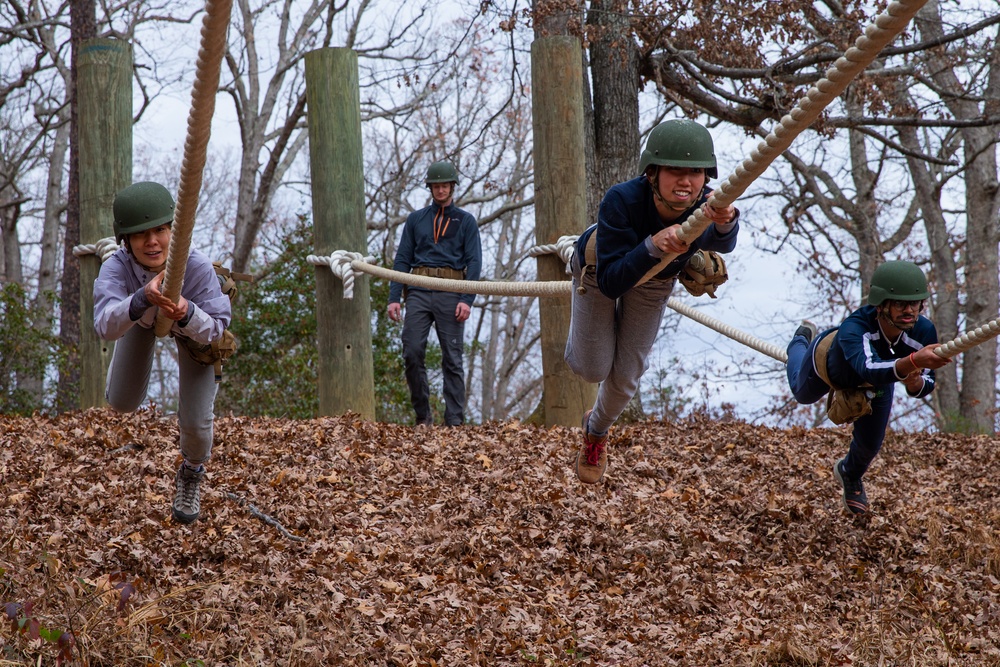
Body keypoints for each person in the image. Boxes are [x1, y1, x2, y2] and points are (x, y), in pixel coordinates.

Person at [566, 119, 740, 484]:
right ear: (652, 173)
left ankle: (595, 432)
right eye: (675, 170)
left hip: (656, 281)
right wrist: (653, 245)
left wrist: (725, 222)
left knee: (626, 375)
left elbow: (723, 243)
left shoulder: (706, 202)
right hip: (600, 271)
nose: (686, 181)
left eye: (695, 172)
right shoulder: (621, 199)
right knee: (593, 368)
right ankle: (572, 250)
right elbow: (613, 283)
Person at [94, 181, 231, 525]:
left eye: (159, 230)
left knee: (199, 428)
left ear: (173, 230)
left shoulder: (196, 266)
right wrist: (141, 299)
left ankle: (191, 472)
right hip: (140, 320)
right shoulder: (116, 266)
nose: (152, 241)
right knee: (122, 402)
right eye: (141, 234)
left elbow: (217, 326)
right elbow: (104, 325)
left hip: (191, 330)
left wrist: (185, 312)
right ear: (126, 240)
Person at [785, 260, 951, 515]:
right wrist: (913, 362)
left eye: (914, 303)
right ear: (881, 303)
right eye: (899, 304)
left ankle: (849, 474)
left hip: (880, 382)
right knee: (801, 392)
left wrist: (915, 381)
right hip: (830, 366)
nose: (909, 310)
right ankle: (799, 341)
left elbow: (927, 384)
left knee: (871, 444)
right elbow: (867, 367)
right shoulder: (856, 327)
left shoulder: (924, 331)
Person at [387, 161, 482, 427]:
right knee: (412, 350)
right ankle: (422, 416)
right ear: (430, 188)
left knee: (452, 357)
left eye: (444, 185)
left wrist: (467, 299)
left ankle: (454, 421)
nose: (440, 190)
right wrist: (395, 297)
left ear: (452, 186)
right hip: (417, 290)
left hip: (452, 291)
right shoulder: (415, 219)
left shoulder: (466, 221)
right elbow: (402, 259)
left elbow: (474, 262)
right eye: (436, 186)